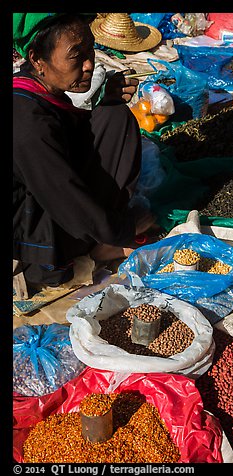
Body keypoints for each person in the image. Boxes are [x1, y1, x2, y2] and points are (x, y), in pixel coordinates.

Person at [13, 13, 157, 289]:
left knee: (114, 118)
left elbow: (74, 133)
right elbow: (64, 194)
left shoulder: (38, 90)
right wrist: (123, 229)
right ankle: (91, 247)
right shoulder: (26, 122)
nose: (89, 65)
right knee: (79, 211)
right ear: (36, 60)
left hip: (46, 198)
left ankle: (97, 236)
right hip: (29, 235)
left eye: (90, 51)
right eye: (76, 56)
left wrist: (110, 100)